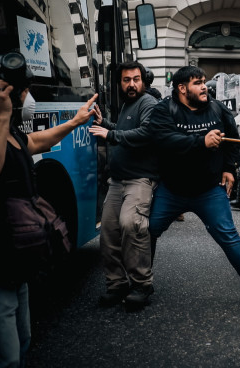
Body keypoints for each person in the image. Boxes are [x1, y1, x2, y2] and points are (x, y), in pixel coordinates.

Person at [0, 52, 97, 367]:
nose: (29, 96)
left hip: (15, 264)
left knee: (22, 343)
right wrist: (1, 116)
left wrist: (75, 121)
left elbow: (37, 142)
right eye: (25, 89)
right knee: (2, 358)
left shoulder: (11, 132)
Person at [146, 65, 240, 312]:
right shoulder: (164, 110)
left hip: (208, 190)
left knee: (230, 238)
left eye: (204, 81)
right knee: (148, 231)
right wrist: (201, 141)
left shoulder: (216, 108)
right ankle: (142, 283)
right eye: (197, 83)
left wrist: (229, 167)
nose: (204, 86)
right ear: (182, 88)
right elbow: (163, 141)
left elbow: (231, 138)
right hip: (172, 191)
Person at [90, 61, 159, 310]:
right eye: (126, 80)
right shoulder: (128, 105)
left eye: (136, 79)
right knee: (108, 232)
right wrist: (107, 124)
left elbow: (147, 134)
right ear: (119, 83)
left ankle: (142, 284)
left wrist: (110, 135)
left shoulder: (148, 103)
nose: (131, 84)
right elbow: (124, 131)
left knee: (132, 225)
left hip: (140, 179)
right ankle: (117, 284)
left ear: (143, 81)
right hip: (118, 181)